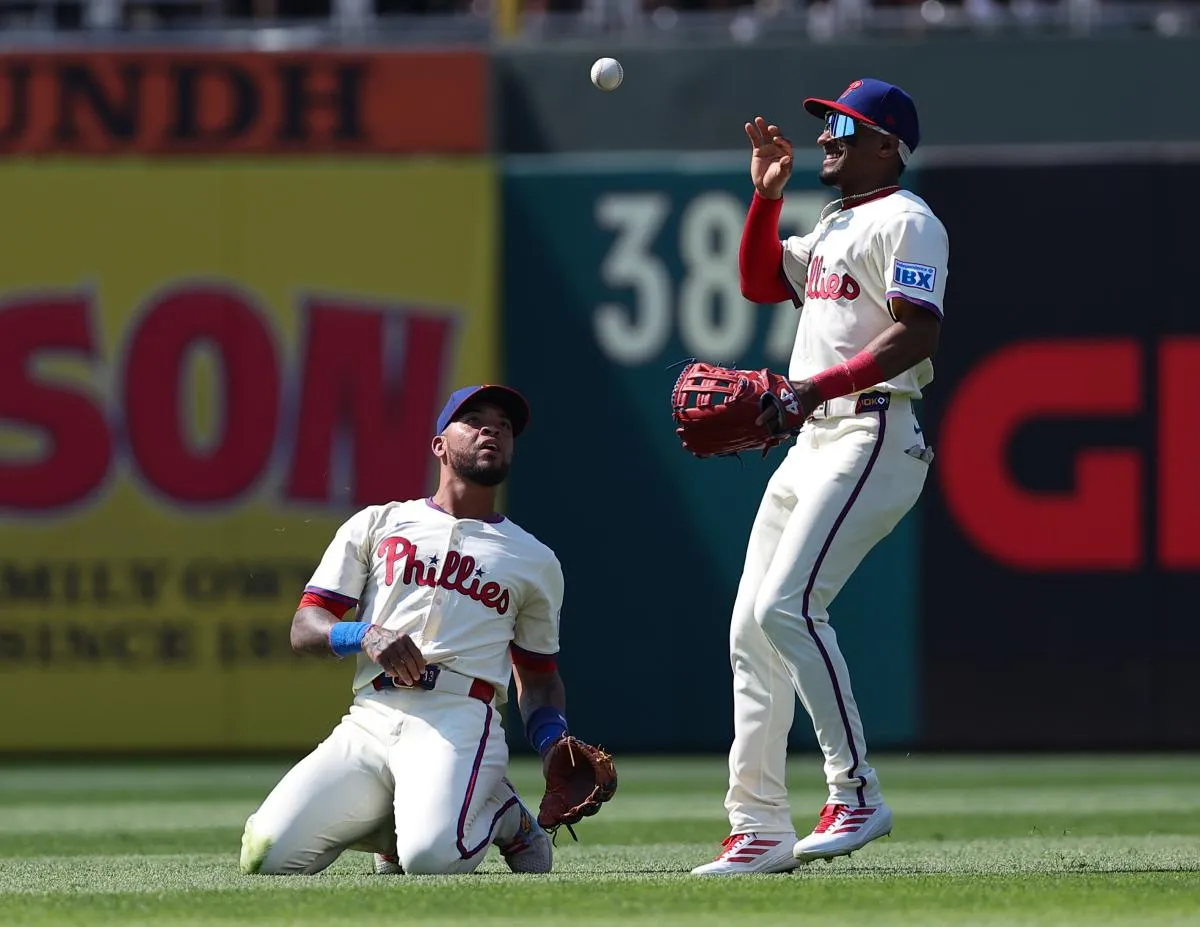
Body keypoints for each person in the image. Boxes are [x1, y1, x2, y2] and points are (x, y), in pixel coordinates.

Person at [691, 78, 949, 875]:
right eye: (828, 124)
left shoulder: (909, 220)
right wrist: (765, 198)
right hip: (815, 440)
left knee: (787, 605)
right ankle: (760, 823)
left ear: (887, 145)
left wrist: (810, 390)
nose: (828, 136)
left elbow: (918, 336)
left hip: (871, 431)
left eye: (845, 125)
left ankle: (857, 791)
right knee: (750, 629)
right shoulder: (838, 220)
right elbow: (761, 282)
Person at [240, 384, 577, 876]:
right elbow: (305, 627)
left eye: (504, 426)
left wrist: (552, 742)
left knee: (431, 859)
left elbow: (539, 674)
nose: (493, 430)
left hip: (459, 717)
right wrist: (363, 634)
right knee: (265, 855)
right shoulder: (379, 523)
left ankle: (508, 817)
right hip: (369, 718)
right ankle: (400, 822)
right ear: (439, 445)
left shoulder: (534, 558)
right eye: (475, 420)